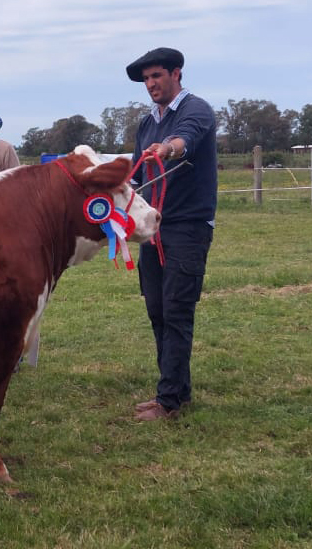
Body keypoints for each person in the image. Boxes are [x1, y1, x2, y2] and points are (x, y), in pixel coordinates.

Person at [125, 48, 218, 421]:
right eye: (146, 79)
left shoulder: (196, 109)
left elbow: (184, 141)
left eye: (157, 76)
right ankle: (178, 390)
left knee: (177, 311)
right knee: (158, 310)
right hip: (153, 227)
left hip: (187, 226)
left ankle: (168, 403)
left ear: (176, 74)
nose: (151, 84)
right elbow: (135, 174)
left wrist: (167, 149)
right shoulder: (146, 123)